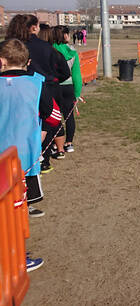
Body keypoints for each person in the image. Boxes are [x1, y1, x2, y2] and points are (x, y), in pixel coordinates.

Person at [0, 38, 52, 271]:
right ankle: (16, 257)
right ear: (28, 62)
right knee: (16, 209)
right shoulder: (37, 83)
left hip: (6, 156)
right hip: (23, 158)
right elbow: (48, 111)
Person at [6, 16, 68, 172]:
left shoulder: (6, 46)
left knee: (13, 123)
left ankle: (20, 158)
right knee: (44, 123)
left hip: (12, 89)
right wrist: (52, 79)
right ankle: (42, 159)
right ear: (33, 27)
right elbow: (64, 71)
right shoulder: (45, 47)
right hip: (43, 88)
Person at [49, 26, 82, 156]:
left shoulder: (50, 50)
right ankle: (69, 143)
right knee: (69, 116)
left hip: (53, 86)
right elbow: (76, 75)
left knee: (53, 116)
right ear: (66, 36)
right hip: (68, 87)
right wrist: (77, 93)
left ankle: (55, 143)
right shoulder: (72, 51)